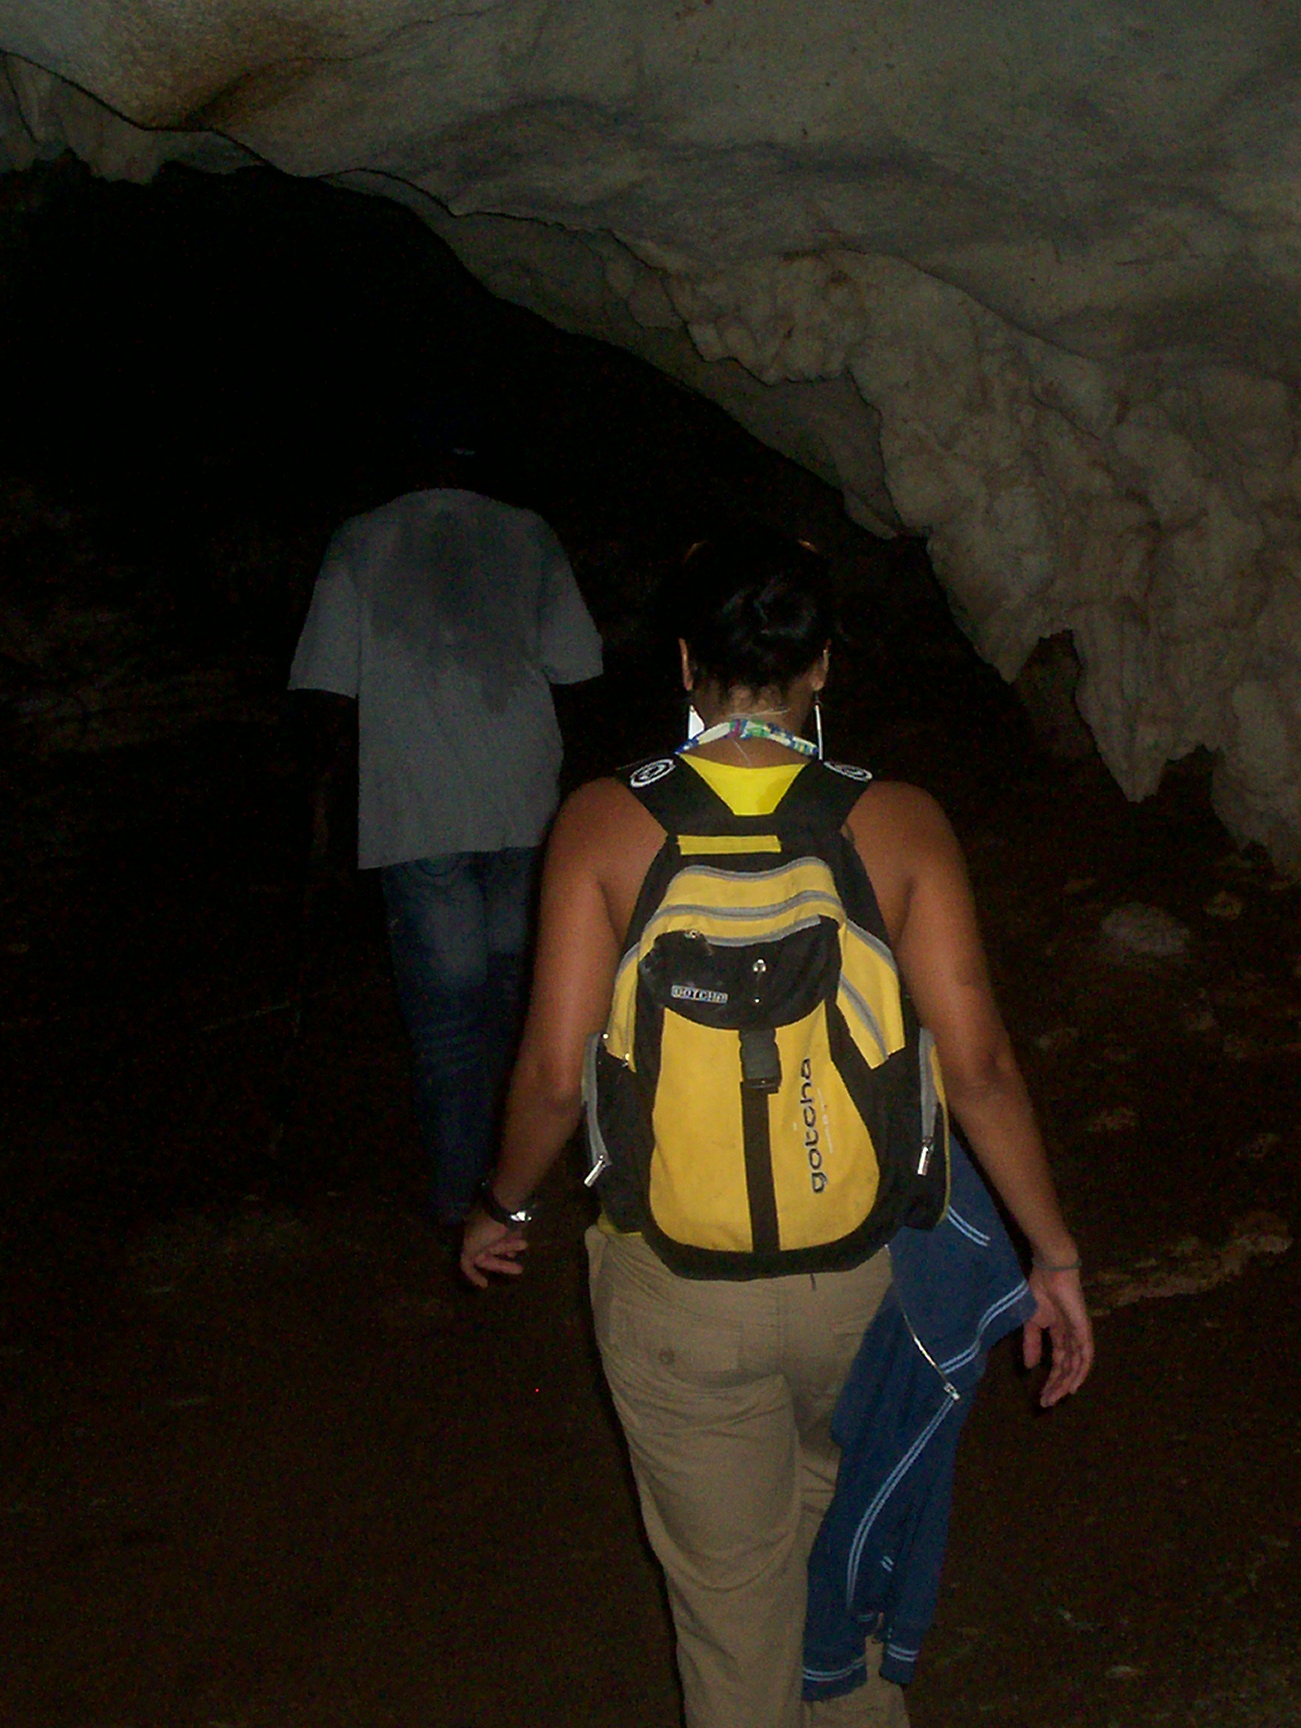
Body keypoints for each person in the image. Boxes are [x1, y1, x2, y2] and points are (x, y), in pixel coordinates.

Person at [459, 528, 1093, 1727]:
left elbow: (549, 1076)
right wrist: (1050, 1255)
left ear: (685, 661)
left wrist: (504, 1205)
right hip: (864, 1282)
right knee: (841, 1570)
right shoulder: (897, 822)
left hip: (679, 1298)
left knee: (733, 1614)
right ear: (821, 667)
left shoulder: (603, 825)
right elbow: (981, 1070)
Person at [287, 430, 603, 1227]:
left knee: (448, 1025)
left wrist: (324, 788)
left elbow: (324, 688)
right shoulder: (527, 533)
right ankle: (516, 1183)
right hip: (524, 806)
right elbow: (578, 668)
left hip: (418, 813)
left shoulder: (362, 538)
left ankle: (466, 1200)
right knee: (513, 1001)